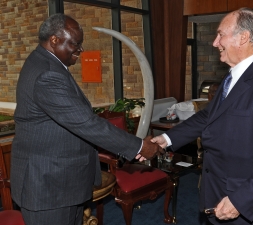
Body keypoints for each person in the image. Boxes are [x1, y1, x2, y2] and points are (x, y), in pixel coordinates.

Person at [10, 14, 162, 225]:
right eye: (75, 44)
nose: (80, 51)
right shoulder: (46, 74)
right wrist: (138, 146)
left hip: (59, 182)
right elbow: (85, 123)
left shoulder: (46, 63)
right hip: (48, 188)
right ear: (54, 40)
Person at [151, 8, 253, 225]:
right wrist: (167, 139)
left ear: (243, 38)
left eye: (220, 34)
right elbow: (208, 117)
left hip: (252, 207)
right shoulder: (232, 78)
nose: (214, 42)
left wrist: (240, 201)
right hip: (218, 192)